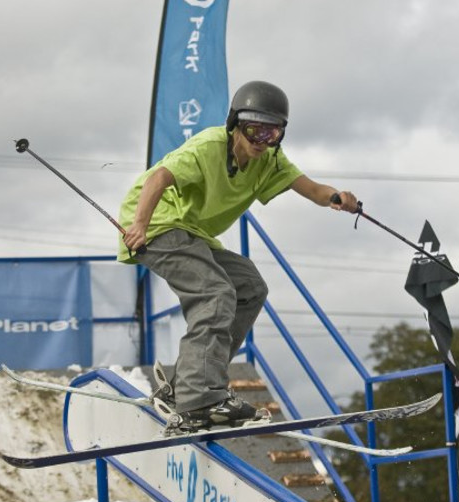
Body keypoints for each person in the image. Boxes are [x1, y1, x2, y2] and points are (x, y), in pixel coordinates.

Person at [117, 80, 359, 432]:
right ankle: (200, 396)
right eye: (254, 131)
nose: (262, 143)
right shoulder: (209, 145)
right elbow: (158, 178)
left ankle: (187, 385)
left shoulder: (271, 162)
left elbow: (311, 189)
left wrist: (338, 197)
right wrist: (139, 224)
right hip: (156, 223)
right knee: (215, 292)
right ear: (235, 124)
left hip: (192, 232)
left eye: (272, 134)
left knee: (248, 287)